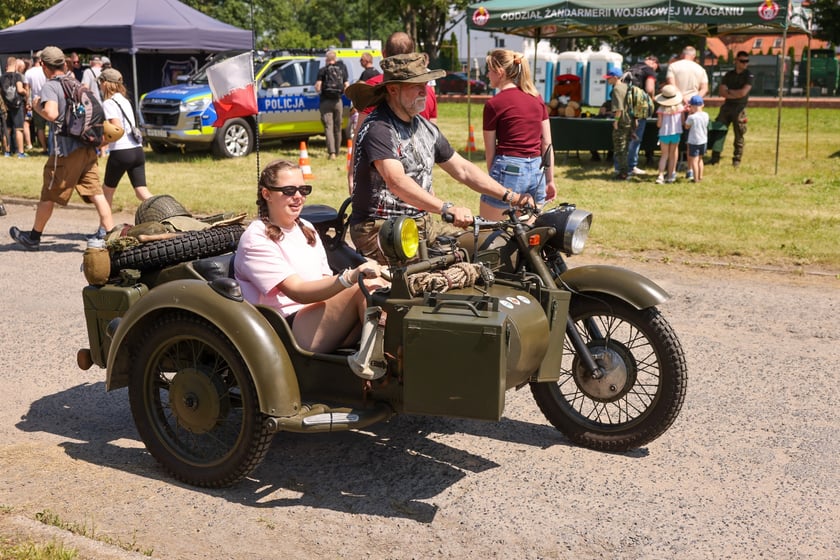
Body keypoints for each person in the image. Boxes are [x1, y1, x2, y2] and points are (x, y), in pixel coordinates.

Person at [345, 53, 533, 264]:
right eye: (415, 86)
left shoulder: (424, 127)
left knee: (489, 246)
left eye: (425, 85)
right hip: (380, 229)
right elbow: (396, 181)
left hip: (420, 223)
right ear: (392, 89)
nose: (423, 91)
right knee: (443, 277)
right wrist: (446, 208)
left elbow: (462, 169)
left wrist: (510, 196)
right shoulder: (379, 128)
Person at [234, 159, 387, 353]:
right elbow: (296, 290)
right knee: (362, 286)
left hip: (315, 316)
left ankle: (394, 357)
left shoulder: (306, 227)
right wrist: (350, 277)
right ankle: (381, 363)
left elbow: (323, 281)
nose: (298, 197)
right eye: (289, 190)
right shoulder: (256, 238)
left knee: (381, 287)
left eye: (303, 190)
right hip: (285, 328)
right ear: (267, 194)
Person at [8, 46, 114, 252]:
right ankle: (112, 236)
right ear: (64, 64)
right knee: (95, 192)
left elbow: (52, 113)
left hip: (66, 150)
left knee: (49, 192)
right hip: (87, 147)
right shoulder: (75, 82)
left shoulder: (52, 86)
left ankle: (33, 237)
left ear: (44, 67)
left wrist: (37, 106)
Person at [481, 48, 555, 220]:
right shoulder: (537, 99)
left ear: (499, 72)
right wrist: (550, 180)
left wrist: (494, 178)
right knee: (528, 234)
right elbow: (547, 144)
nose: (487, 75)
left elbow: (490, 150)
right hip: (537, 170)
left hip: (508, 168)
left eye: (489, 70)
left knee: (490, 231)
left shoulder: (494, 104)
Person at [98, 67, 152, 225]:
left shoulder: (109, 102)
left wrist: (100, 143)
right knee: (141, 191)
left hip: (121, 151)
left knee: (107, 191)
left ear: (106, 84)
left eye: (101, 82)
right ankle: (167, 213)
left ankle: (104, 229)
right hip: (137, 149)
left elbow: (116, 129)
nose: (100, 86)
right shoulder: (124, 100)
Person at [666, 46, 708, 179]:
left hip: (676, 106)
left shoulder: (673, 66)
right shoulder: (700, 69)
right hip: (695, 108)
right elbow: (704, 88)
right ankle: (690, 170)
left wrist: (682, 98)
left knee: (675, 140)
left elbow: (671, 85)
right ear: (694, 56)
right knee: (693, 140)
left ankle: (672, 171)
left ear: (681, 54)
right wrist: (694, 101)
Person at [710, 51, 753, 167]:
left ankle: (737, 160)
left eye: (747, 61)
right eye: (742, 61)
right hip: (727, 106)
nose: (745, 63)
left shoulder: (749, 75)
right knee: (719, 130)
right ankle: (715, 158)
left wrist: (729, 92)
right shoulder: (729, 75)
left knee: (739, 134)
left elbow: (743, 93)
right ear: (736, 61)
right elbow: (721, 91)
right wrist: (732, 93)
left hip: (740, 108)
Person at [627, 55, 659, 175]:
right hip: (639, 108)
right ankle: (631, 167)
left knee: (625, 137)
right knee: (635, 138)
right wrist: (651, 101)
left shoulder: (631, 68)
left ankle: (620, 165)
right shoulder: (649, 71)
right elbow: (650, 89)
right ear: (655, 63)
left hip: (625, 107)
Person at [314, 50, 348, 161]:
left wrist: (318, 90)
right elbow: (346, 86)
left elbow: (318, 86)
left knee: (329, 127)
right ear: (335, 59)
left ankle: (332, 153)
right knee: (338, 128)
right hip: (338, 101)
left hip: (325, 101)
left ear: (327, 59)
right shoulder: (342, 70)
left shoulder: (322, 70)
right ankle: (337, 151)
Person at [654, 85, 685, 184]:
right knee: (673, 155)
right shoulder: (680, 107)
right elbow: (683, 121)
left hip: (664, 134)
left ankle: (660, 175)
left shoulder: (661, 109)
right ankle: (671, 175)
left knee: (664, 155)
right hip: (676, 133)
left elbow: (659, 124)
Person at [604, 68, 631, 180]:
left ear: (615, 77)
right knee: (625, 147)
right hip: (629, 120)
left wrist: (615, 121)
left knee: (620, 148)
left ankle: (623, 173)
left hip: (622, 121)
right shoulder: (626, 86)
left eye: (609, 78)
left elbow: (619, 108)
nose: (607, 80)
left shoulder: (616, 89)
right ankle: (625, 171)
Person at [2, 56, 28, 158]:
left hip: (6, 106)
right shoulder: (17, 76)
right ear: (16, 65)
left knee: (7, 129)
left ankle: (7, 152)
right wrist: (26, 92)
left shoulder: (2, 77)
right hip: (17, 106)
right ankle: (20, 153)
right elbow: (20, 89)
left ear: (7, 65)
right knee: (19, 129)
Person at [25, 51, 47, 153]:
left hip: (36, 102)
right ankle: (53, 147)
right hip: (48, 99)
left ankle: (44, 148)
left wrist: (27, 103)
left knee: (40, 127)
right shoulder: (46, 70)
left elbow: (27, 90)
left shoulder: (29, 72)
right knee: (52, 126)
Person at [684, 95, 709, 183]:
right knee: (700, 159)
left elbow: (687, 126)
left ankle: (695, 178)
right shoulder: (706, 115)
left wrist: (689, 113)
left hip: (694, 141)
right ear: (702, 105)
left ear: (692, 106)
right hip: (703, 140)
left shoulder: (692, 117)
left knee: (694, 160)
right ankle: (700, 176)